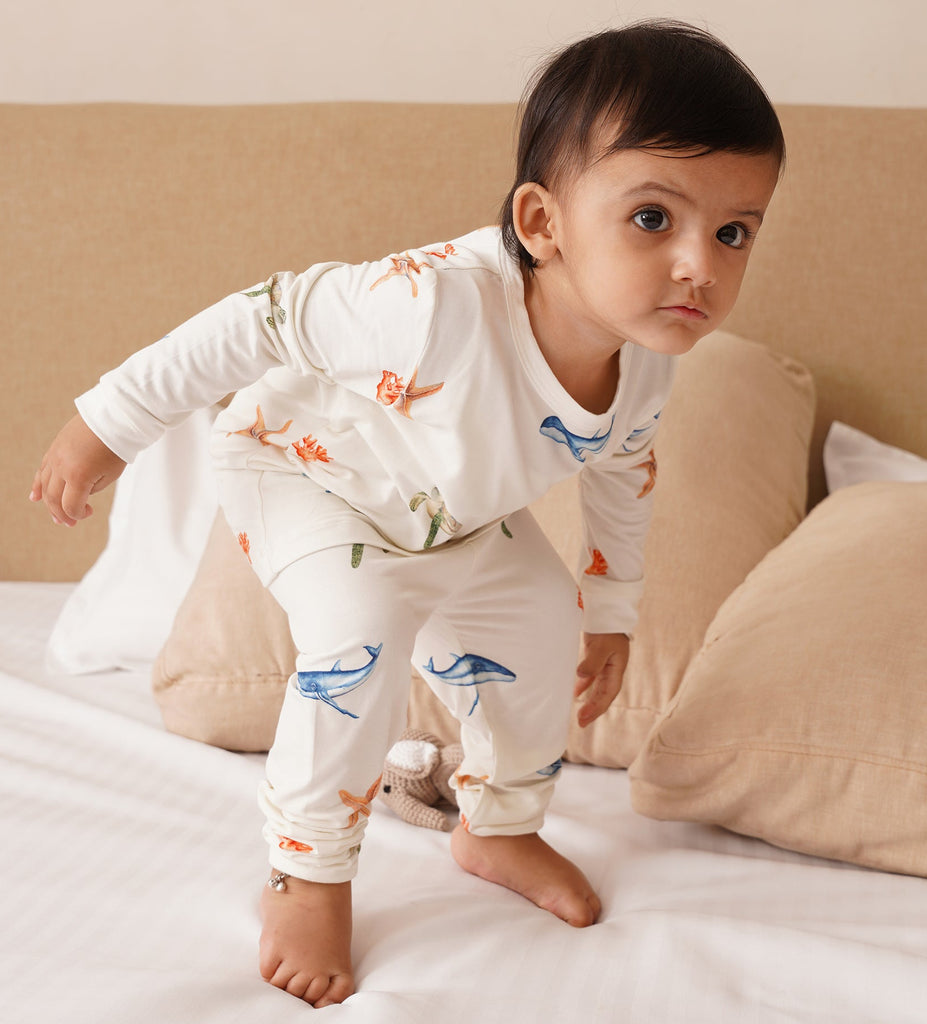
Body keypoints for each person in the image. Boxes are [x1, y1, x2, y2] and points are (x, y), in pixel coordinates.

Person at [30, 19, 785, 1009]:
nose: (700, 266)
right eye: (654, 218)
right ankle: (306, 870)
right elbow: (257, 317)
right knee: (360, 636)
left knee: (541, 626)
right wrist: (107, 426)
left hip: (447, 513)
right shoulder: (431, 306)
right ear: (543, 222)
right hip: (305, 473)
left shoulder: (642, 366)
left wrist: (607, 612)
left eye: (733, 233)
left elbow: (620, 478)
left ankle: (498, 826)